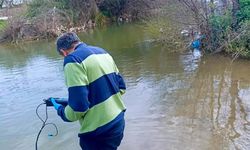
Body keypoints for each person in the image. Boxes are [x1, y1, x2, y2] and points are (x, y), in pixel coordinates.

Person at [51, 32, 126, 150]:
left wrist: (61, 111)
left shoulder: (72, 60)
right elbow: (121, 88)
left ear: (64, 52)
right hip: (118, 123)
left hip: (99, 133)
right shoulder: (102, 52)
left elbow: (79, 108)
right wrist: (70, 101)